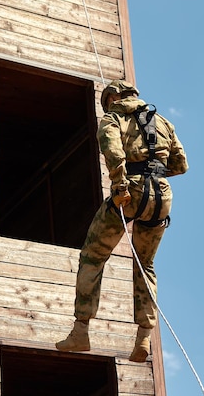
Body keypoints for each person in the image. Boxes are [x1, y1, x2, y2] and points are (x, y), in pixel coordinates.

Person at [56, 79, 188, 362]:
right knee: (146, 265)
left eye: (106, 101)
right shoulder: (163, 122)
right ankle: (143, 339)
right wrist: (152, 170)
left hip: (130, 193)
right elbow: (180, 165)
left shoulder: (114, 117)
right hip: (161, 197)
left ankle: (81, 331)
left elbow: (111, 149)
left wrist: (121, 184)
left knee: (93, 256)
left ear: (113, 97)